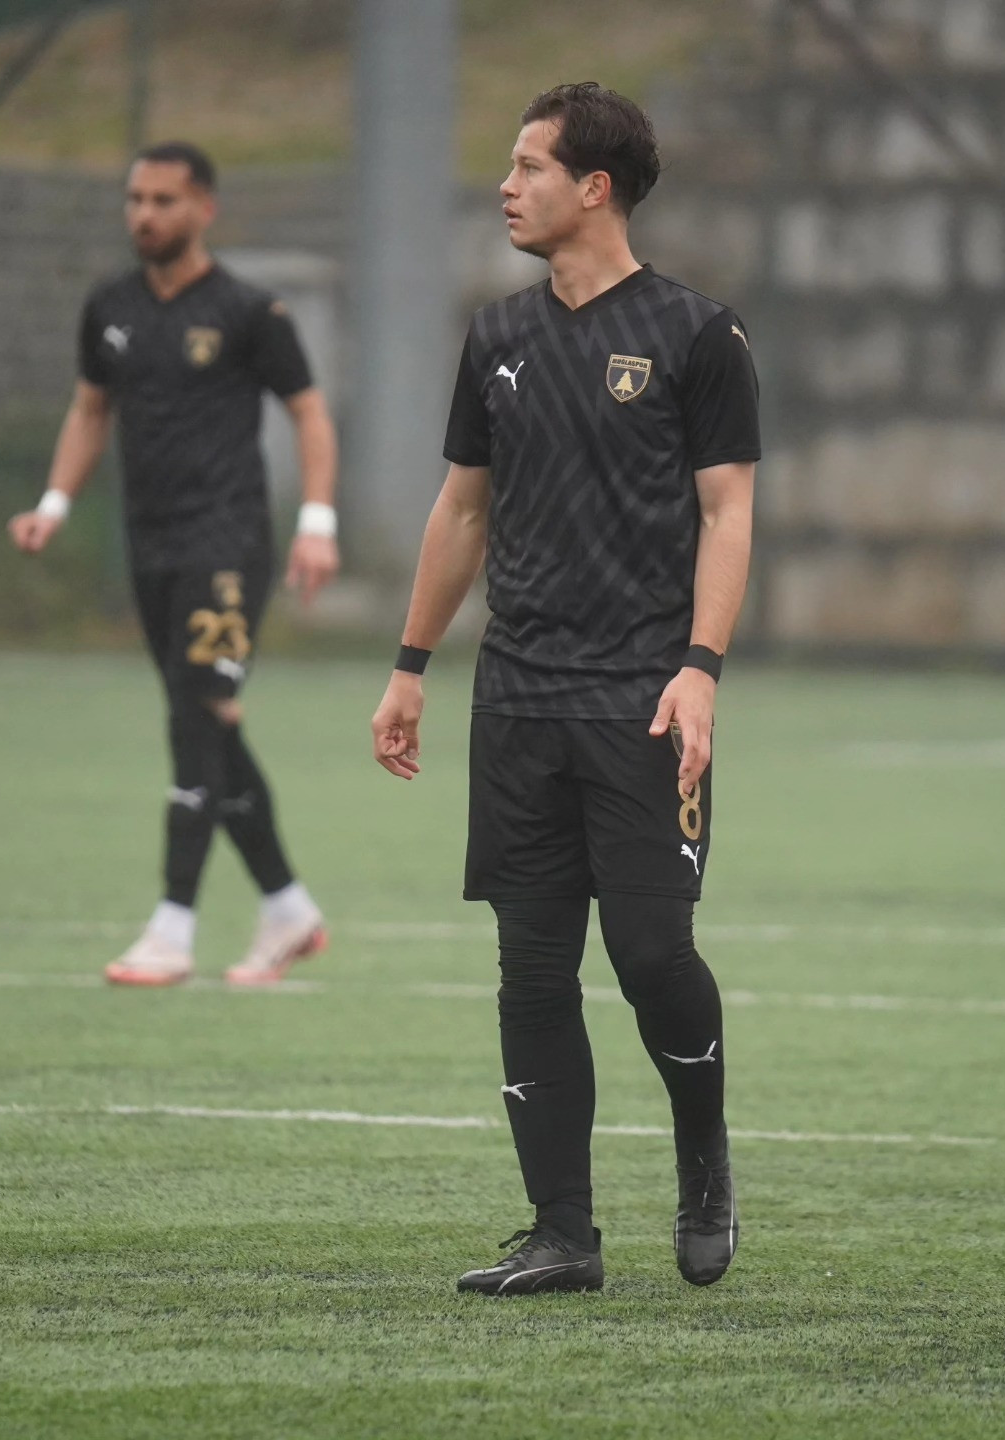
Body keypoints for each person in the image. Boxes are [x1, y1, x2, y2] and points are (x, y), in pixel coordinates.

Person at [371, 84, 759, 1294]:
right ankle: (562, 1235)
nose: (507, 186)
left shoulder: (698, 335)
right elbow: (462, 511)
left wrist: (700, 669)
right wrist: (410, 666)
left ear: (595, 188)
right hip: (519, 701)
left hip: (643, 700)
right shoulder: (495, 337)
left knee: (650, 955)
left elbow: (728, 512)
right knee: (532, 972)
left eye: (530, 166)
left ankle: (704, 1159)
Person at [9, 140, 339, 988]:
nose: (144, 215)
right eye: (136, 199)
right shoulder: (110, 306)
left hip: (227, 543)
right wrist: (53, 504)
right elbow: (91, 410)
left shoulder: (248, 310)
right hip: (150, 545)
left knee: (199, 712)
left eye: (163, 200)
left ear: (204, 209)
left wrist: (316, 522)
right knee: (207, 722)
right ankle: (288, 907)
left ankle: (173, 926)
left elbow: (308, 414)